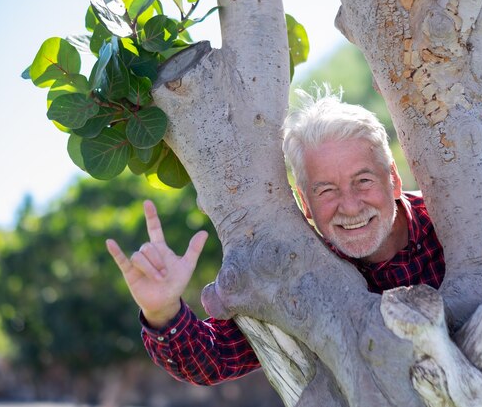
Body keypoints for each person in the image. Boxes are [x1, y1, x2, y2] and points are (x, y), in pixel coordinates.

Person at [106, 87, 445, 385]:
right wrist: (163, 312)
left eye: (363, 181)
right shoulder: (301, 270)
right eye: (326, 190)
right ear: (305, 204)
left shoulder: (451, 224)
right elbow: (215, 358)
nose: (350, 206)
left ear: (393, 180)